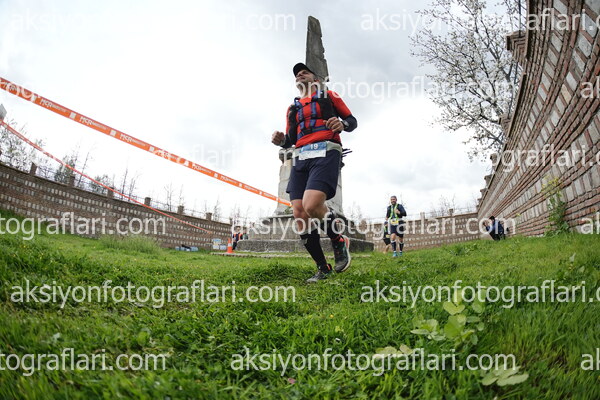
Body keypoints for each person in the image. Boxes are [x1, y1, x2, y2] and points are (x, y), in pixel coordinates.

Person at [271, 62, 358, 283]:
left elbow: (352, 121)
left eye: (305, 72)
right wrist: (281, 141)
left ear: (315, 79)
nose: (299, 74)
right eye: (297, 74)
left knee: (311, 205)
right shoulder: (292, 109)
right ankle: (322, 267)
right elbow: (291, 139)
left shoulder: (329, 95)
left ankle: (338, 240)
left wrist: (342, 125)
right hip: (301, 156)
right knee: (300, 213)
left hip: (326, 150)